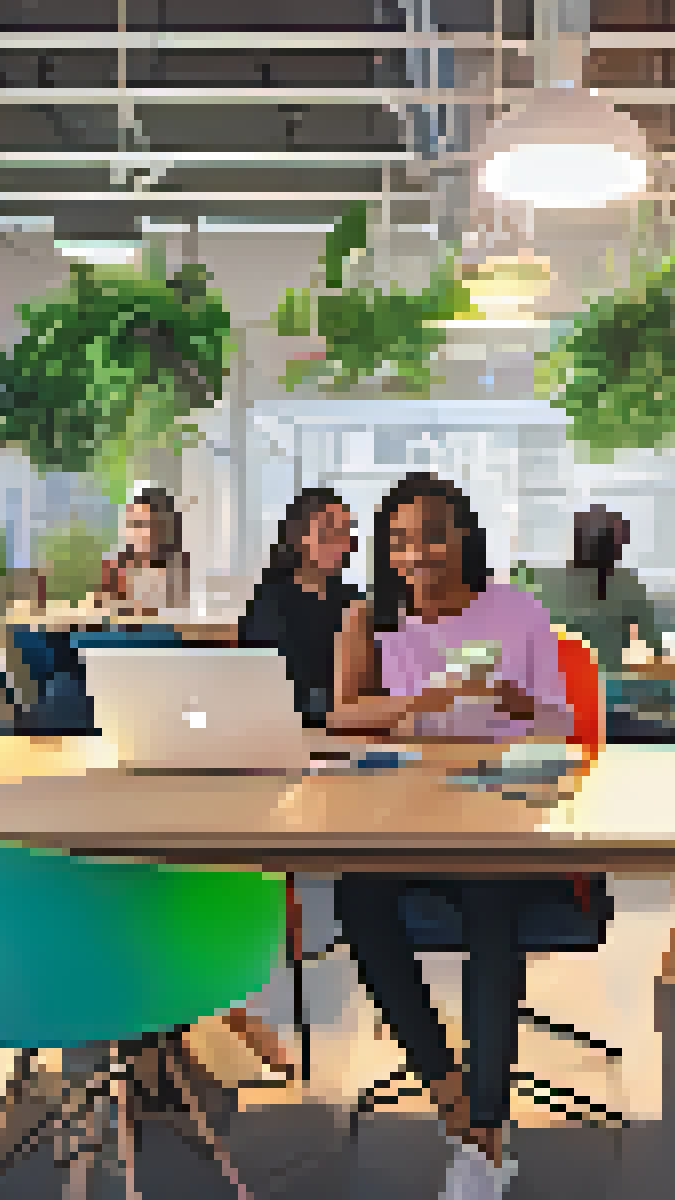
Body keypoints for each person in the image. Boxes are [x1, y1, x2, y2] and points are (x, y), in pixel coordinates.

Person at [329, 473, 574, 1195]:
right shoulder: (370, 617)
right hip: (407, 813)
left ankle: (487, 1137)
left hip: (498, 811)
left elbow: (565, 728)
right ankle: (446, 1086)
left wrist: (514, 699)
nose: (416, 554)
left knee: (491, 910)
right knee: (357, 896)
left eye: (430, 535)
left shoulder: (518, 614)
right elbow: (342, 718)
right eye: (399, 539)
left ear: (462, 534)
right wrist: (421, 700)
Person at [238, 487, 362, 727]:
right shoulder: (271, 600)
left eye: (345, 533)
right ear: (299, 536)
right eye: (327, 533)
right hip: (288, 725)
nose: (340, 543)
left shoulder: (353, 599)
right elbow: (273, 685)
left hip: (346, 722)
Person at [529, 505, 661, 673]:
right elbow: (654, 645)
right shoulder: (627, 585)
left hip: (552, 684)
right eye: (621, 541)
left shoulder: (545, 582)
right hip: (605, 685)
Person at [100, 486, 189, 616]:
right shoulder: (116, 567)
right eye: (129, 523)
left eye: (139, 524)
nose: (130, 532)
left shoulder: (178, 571)